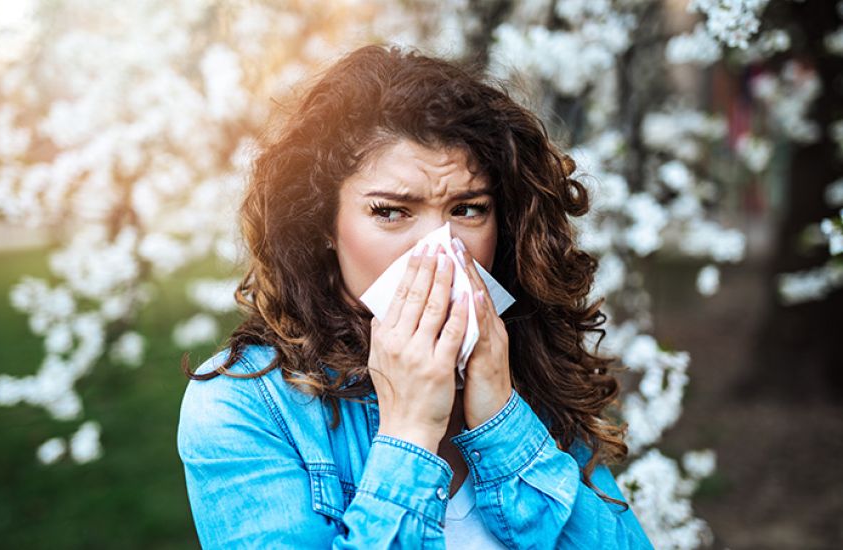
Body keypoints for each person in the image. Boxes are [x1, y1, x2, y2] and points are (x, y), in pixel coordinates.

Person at [176, 43, 654, 549]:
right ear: (324, 226)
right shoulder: (246, 409)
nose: (438, 246)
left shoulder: (527, 365)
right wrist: (409, 434)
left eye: (468, 209)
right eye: (390, 212)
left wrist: (502, 421)